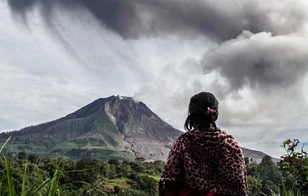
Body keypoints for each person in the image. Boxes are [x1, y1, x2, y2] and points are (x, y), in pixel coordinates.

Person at [159, 92, 248, 196]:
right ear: (215, 116)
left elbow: (169, 183)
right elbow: (240, 189)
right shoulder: (231, 145)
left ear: (191, 117)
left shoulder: (183, 143)